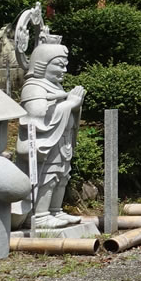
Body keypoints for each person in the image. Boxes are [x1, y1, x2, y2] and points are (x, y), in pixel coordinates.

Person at [18, 42, 85, 228]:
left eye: (65, 65)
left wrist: (75, 105)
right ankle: (40, 215)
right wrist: (69, 103)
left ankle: (55, 210)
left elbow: (66, 109)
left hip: (62, 140)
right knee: (49, 176)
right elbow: (37, 115)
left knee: (62, 175)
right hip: (46, 142)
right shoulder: (33, 87)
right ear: (42, 64)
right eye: (60, 65)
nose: (64, 70)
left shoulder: (55, 86)